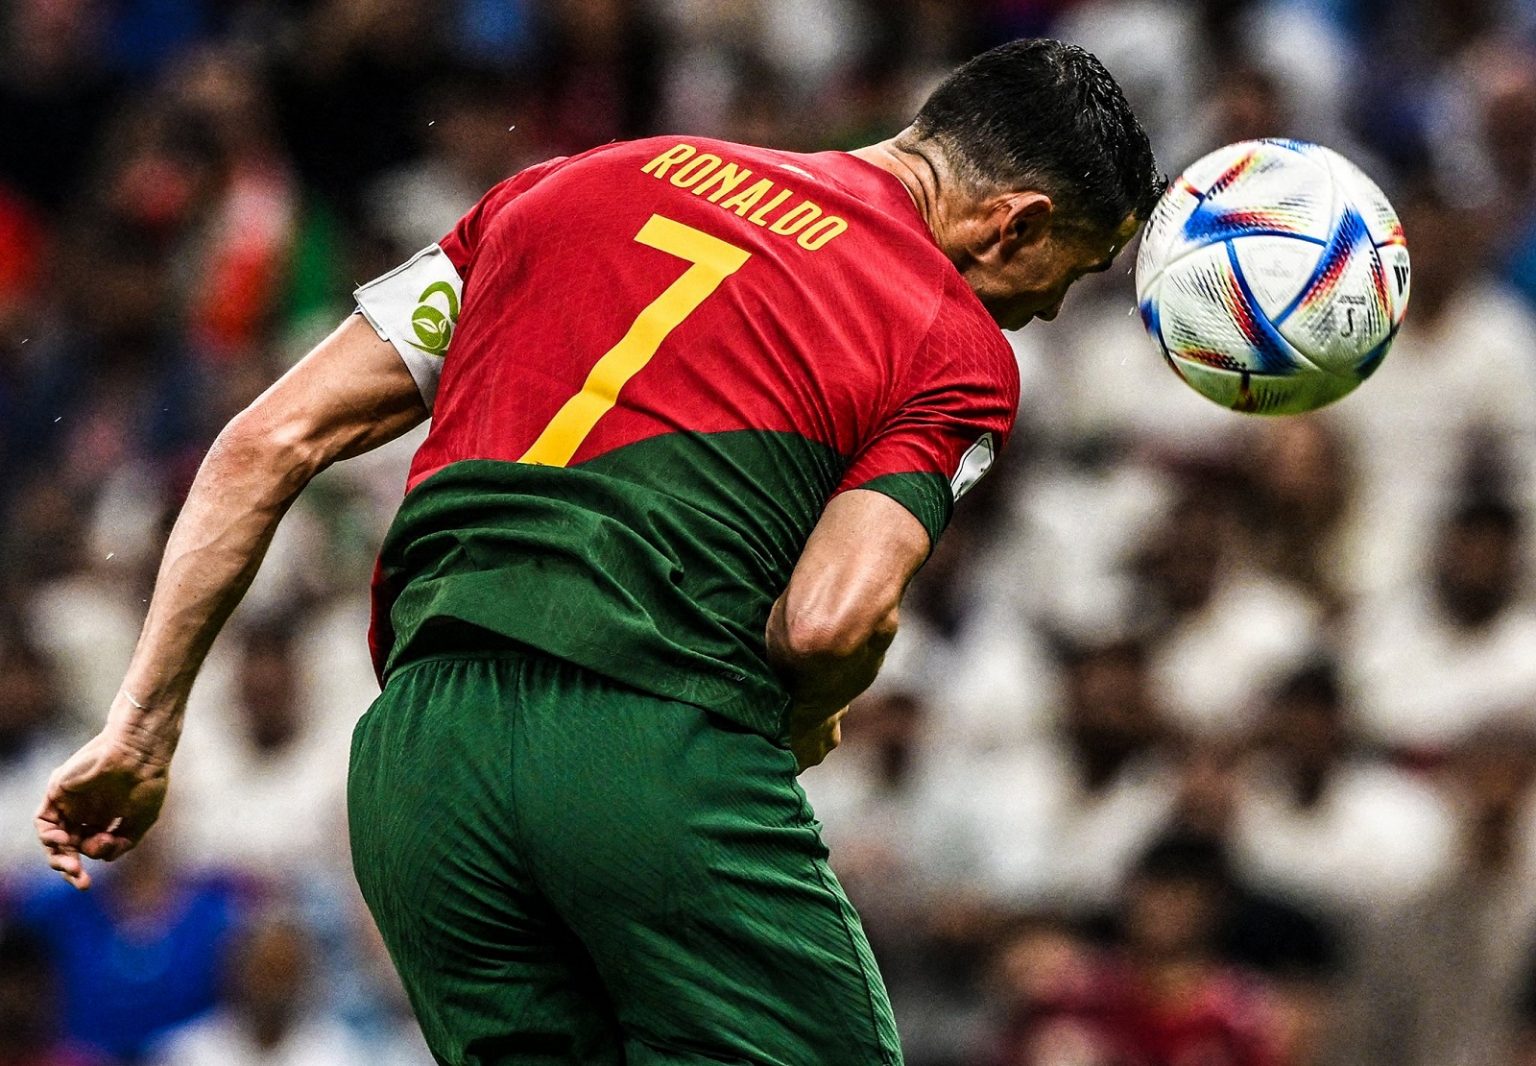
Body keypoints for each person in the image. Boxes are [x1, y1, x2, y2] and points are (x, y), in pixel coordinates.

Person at [35, 38, 1162, 1065]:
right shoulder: (950, 340)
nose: (1047, 315)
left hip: (419, 771)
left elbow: (266, 441)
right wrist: (818, 706)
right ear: (1013, 224)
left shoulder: (566, 184)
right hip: (650, 754)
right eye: (1068, 276)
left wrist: (141, 727)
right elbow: (831, 621)